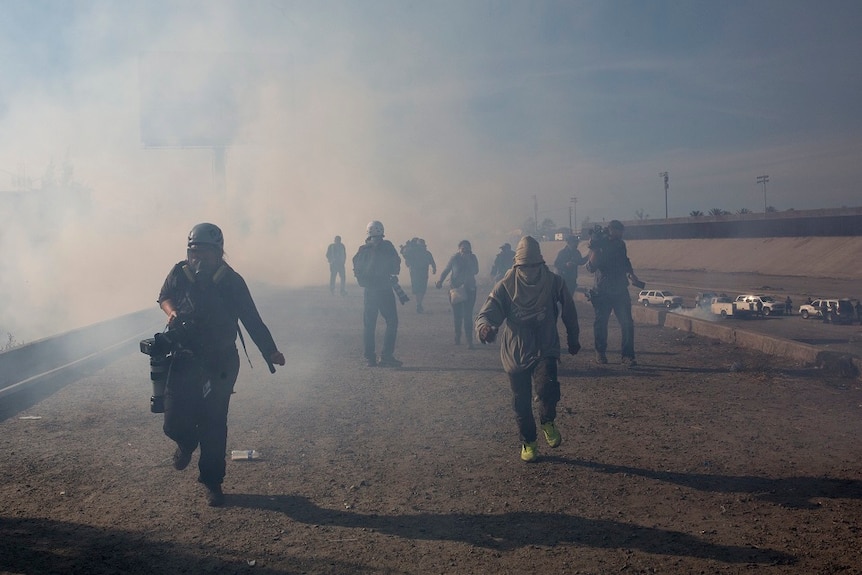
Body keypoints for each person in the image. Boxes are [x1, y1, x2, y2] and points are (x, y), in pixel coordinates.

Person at [157, 223, 286, 507]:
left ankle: (213, 482)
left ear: (218, 254)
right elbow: (163, 296)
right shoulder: (180, 273)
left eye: (204, 254)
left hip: (220, 361)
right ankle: (186, 443)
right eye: (194, 254)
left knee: (214, 423)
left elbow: (252, 320)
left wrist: (270, 351)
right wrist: (173, 311)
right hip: (184, 356)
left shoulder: (232, 281)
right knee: (173, 421)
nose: (198, 260)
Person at [475, 236, 580, 463]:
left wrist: (573, 337)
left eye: (534, 266)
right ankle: (528, 442)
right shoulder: (505, 286)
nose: (530, 271)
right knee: (520, 400)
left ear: (540, 264)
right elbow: (487, 312)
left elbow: (569, 310)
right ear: (517, 266)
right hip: (516, 348)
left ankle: (547, 420)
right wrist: (485, 329)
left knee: (547, 387)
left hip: (545, 343)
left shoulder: (554, 282)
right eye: (525, 267)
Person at [585, 220, 642, 367]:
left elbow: (625, 261)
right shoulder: (598, 244)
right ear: (611, 230)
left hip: (620, 290)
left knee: (627, 323)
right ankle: (600, 353)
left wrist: (631, 275)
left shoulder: (620, 244)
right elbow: (590, 267)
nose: (621, 234)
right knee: (601, 323)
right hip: (602, 290)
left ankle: (627, 356)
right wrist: (595, 249)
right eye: (618, 231)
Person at [353, 220, 403, 367]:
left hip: (369, 291)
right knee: (392, 321)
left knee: (369, 325)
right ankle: (387, 355)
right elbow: (395, 267)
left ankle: (370, 358)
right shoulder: (387, 247)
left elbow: (357, 268)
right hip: (385, 289)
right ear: (382, 232)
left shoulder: (363, 250)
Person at [436, 240, 480, 348]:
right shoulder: (455, 258)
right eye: (463, 248)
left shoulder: (473, 258)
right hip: (455, 290)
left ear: (470, 249)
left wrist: (469, 260)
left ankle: (469, 341)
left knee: (468, 315)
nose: (465, 250)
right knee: (457, 315)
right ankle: (457, 336)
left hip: (470, 289)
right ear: (459, 249)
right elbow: (447, 270)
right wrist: (440, 281)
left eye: (467, 248)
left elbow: (476, 271)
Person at [402, 238, 436, 313]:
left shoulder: (426, 253)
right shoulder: (414, 253)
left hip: (421, 274)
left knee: (421, 289)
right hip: (416, 274)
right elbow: (407, 259)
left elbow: (432, 262)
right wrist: (434, 268)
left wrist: (434, 268)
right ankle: (419, 304)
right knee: (419, 289)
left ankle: (419, 304)